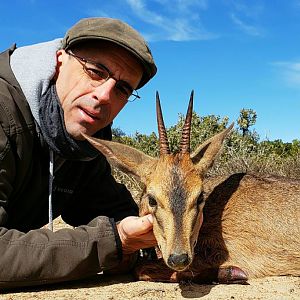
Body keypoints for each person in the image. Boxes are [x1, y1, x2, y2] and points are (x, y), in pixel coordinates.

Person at [0, 17, 157, 289]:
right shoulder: (4, 115)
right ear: (60, 60)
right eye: (96, 71)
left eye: (122, 88)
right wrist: (115, 241)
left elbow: (112, 207)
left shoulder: (83, 143)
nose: (104, 95)